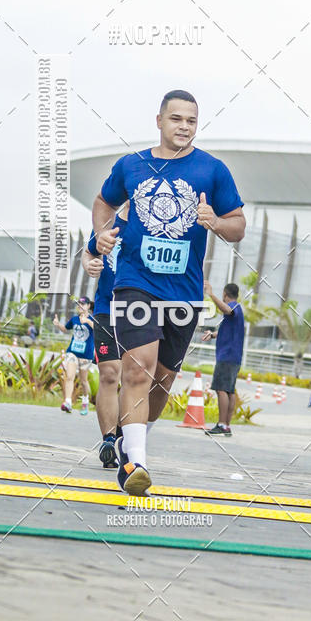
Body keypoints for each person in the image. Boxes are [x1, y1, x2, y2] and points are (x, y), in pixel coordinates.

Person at [92, 89, 245, 496]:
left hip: (183, 292)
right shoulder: (132, 165)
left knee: (161, 383)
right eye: (176, 119)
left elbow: (238, 226)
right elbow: (104, 202)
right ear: (159, 120)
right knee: (138, 366)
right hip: (135, 283)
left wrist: (215, 221)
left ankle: (132, 437)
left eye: (191, 121)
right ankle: (135, 464)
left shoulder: (212, 171)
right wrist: (101, 235)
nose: (184, 127)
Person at [83, 201, 129, 468]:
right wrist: (89, 265)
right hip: (105, 309)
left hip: (140, 313)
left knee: (136, 377)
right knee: (110, 373)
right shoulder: (109, 225)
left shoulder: (155, 227)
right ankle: (109, 440)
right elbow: (88, 253)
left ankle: (128, 436)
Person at [201, 281, 244, 436]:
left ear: (225, 294)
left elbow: (227, 310)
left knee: (221, 389)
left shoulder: (233, 307)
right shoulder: (238, 310)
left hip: (227, 355)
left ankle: (221, 424)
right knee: (229, 391)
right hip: (234, 356)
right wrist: (212, 334)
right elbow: (228, 331)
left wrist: (211, 294)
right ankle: (226, 425)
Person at [53, 298, 96, 415]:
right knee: (70, 376)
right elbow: (66, 329)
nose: (80, 306)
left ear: (88, 306)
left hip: (86, 355)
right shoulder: (74, 319)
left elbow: (98, 330)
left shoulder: (93, 319)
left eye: (82, 304)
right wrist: (58, 325)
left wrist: (86, 321)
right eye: (78, 304)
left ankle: (85, 401)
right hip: (72, 352)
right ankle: (68, 402)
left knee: (83, 380)